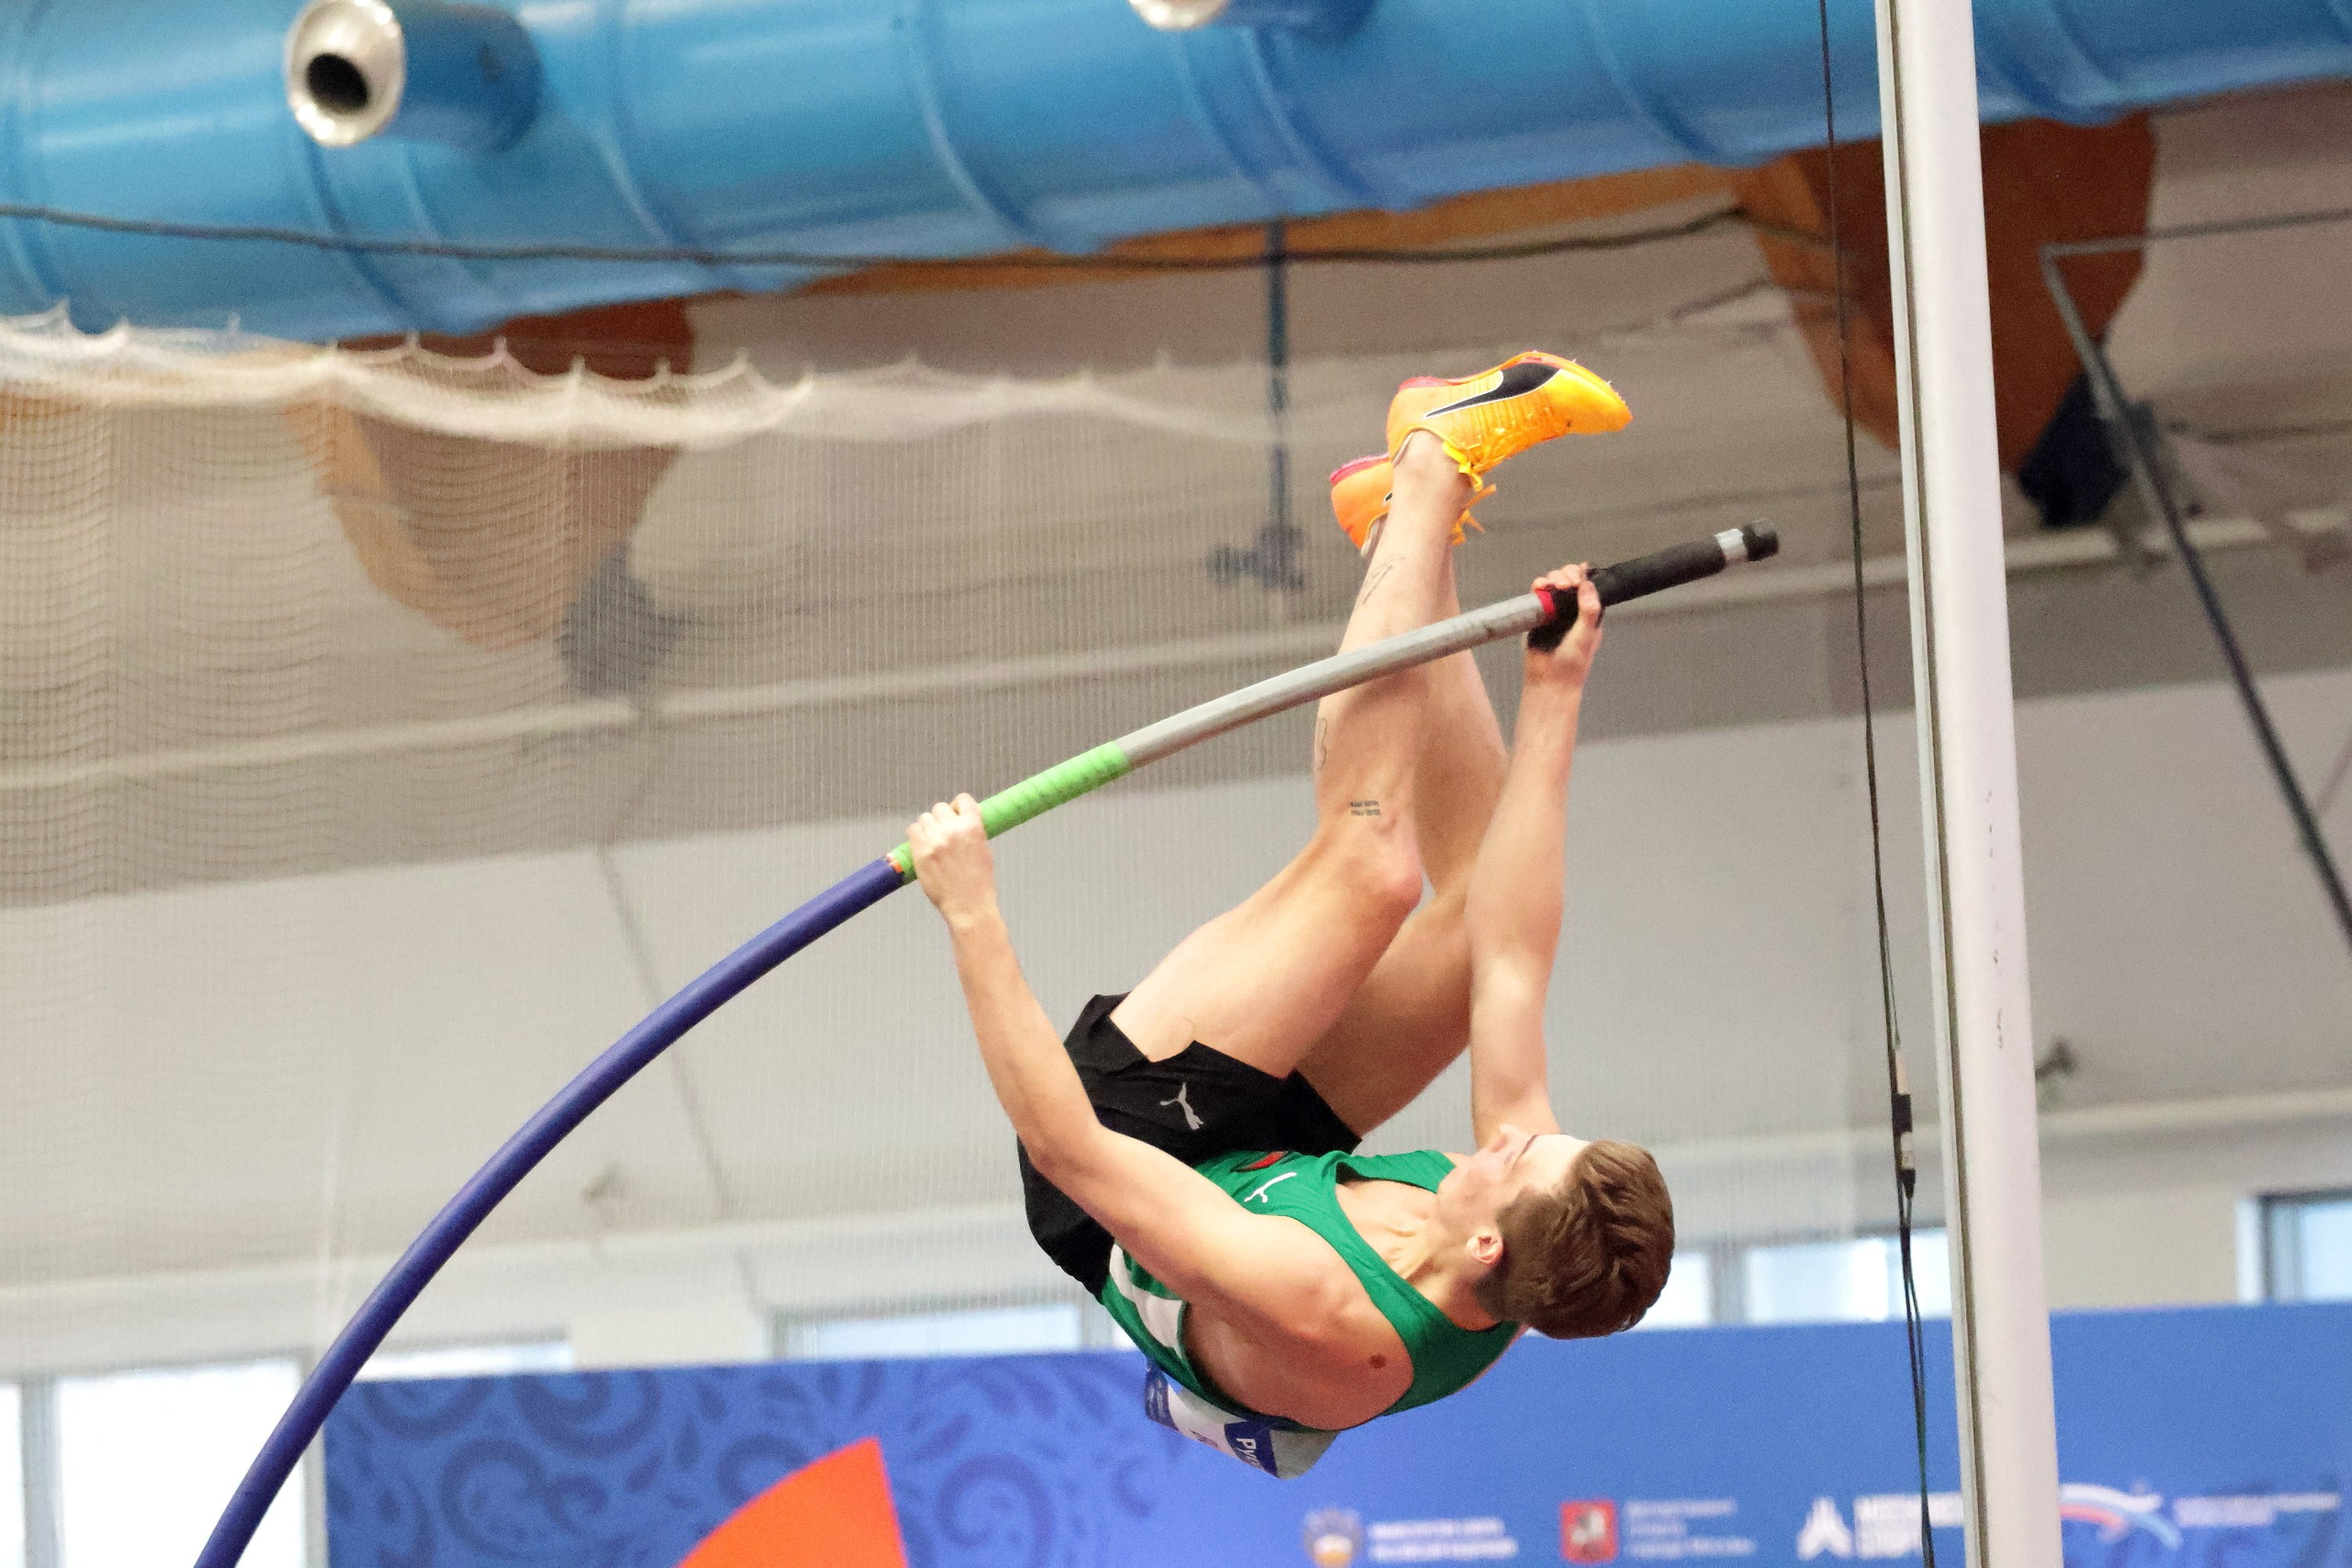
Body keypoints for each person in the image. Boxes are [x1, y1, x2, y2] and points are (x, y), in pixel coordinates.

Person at [905, 353, 1676, 1477]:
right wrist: (1554, 698)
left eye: (1512, 1159)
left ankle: (1428, 463)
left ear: (1481, 1241)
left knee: (1372, 869)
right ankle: (1412, 541)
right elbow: (1511, 950)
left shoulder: (1329, 1319)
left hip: (1131, 1153)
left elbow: (1064, 1146)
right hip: (1277, 1161)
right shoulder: (1531, 1241)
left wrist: (972, 912)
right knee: (1461, 938)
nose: (1507, 1132)